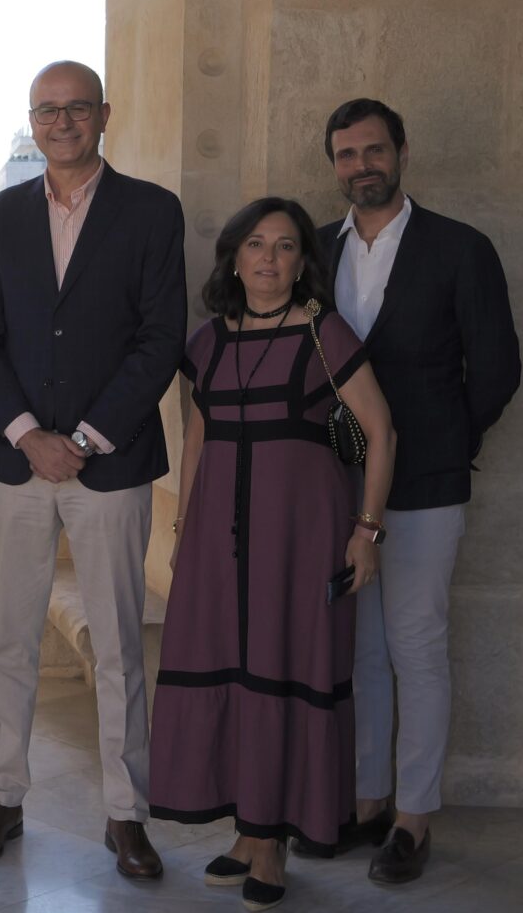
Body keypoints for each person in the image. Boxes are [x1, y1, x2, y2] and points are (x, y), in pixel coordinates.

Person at [0, 60, 186, 877]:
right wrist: (27, 434)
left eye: (76, 108)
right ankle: (2, 797)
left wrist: (84, 439)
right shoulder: (3, 215)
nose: (61, 122)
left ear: (103, 115)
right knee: (9, 639)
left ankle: (127, 814)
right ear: (33, 120)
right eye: (47, 110)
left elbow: (161, 340)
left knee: (122, 643)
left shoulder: (154, 213)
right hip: (15, 464)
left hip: (112, 465)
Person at [147, 197, 396, 911]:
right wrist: (185, 530)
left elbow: (382, 432)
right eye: (256, 244)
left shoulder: (327, 333)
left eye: (285, 247)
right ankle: (246, 832)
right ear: (234, 256)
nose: (268, 259)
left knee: (285, 674)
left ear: (301, 262)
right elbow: (197, 438)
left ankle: (274, 845)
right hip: (219, 543)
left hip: (302, 539)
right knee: (229, 675)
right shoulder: (207, 342)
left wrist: (366, 531)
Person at [314, 99, 521, 884]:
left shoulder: (460, 249)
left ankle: (413, 816)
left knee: (416, 645)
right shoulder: (318, 250)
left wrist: (444, 442)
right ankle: (366, 802)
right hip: (338, 484)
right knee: (360, 649)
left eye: (373, 150)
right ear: (333, 163)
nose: (360, 165)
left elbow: (497, 368)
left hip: (426, 487)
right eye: (345, 154)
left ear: (401, 152)